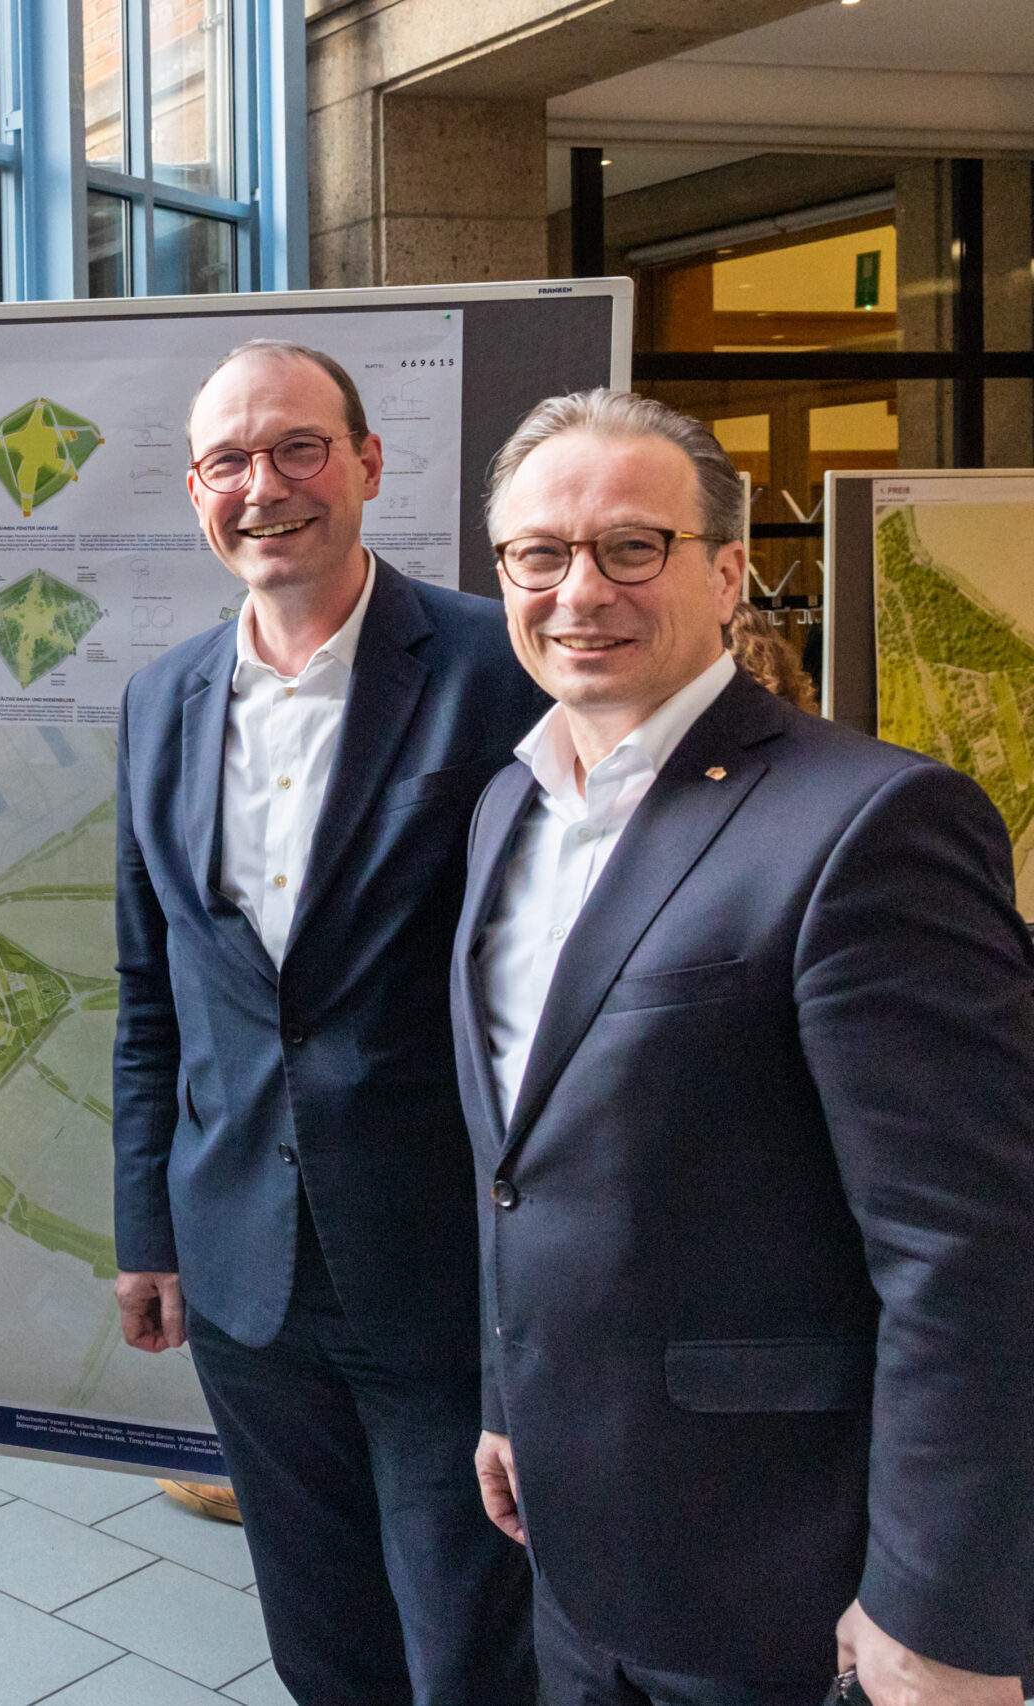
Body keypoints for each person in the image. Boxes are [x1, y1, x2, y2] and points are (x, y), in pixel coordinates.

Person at [457, 388, 1034, 1705]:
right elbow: (521, 1157)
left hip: (783, 1575)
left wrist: (940, 1606)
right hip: (573, 1542)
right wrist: (508, 1392)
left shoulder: (874, 822)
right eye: (538, 554)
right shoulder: (508, 805)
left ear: (727, 574)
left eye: (630, 547)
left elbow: (973, 1250)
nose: (577, 590)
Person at [111, 341, 548, 1703]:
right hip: (244, 1272)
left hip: (441, 1266)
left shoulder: (498, 665)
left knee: (470, 1647)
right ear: (196, 491)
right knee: (323, 1642)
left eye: (298, 446)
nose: (265, 485)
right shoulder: (159, 699)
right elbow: (150, 990)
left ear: (365, 462)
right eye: (230, 460)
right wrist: (147, 1228)